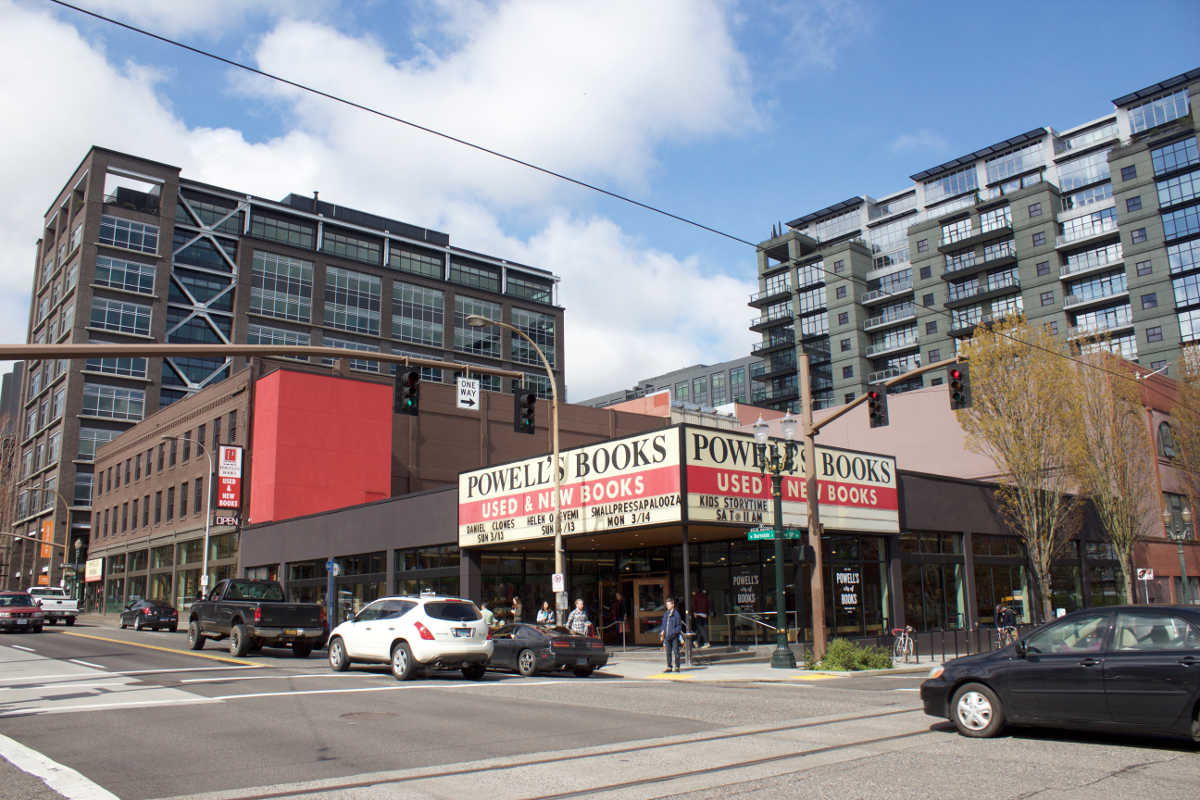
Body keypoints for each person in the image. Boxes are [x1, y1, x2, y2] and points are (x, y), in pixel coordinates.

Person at [660, 596, 684, 672]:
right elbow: (663, 624)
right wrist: (662, 631)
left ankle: (677, 666)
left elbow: (679, 626)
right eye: (667, 605)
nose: (667, 606)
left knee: (676, 652)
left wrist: (673, 632)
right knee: (668, 652)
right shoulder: (666, 614)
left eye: (669, 604)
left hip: (674, 636)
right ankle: (669, 666)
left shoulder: (676, 614)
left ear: (673, 605)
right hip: (667, 636)